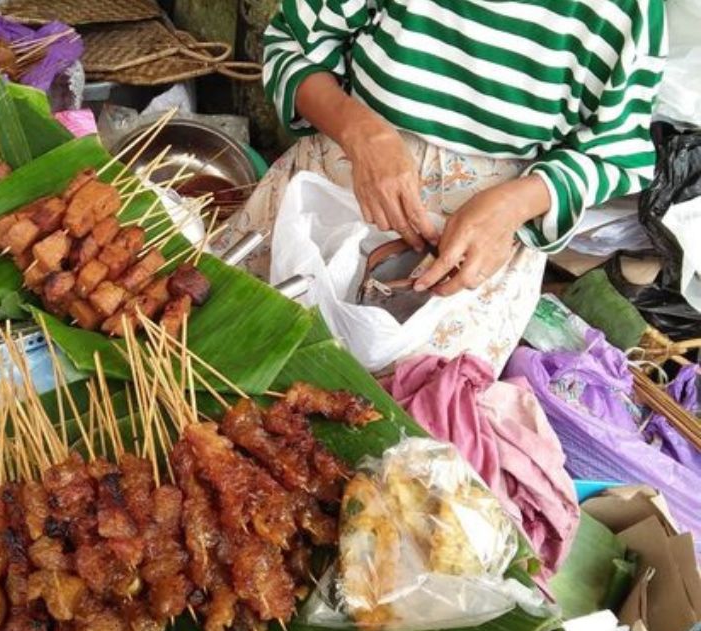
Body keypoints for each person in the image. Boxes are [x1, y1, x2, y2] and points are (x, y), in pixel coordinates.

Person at [222, 0, 666, 372]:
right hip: (329, 194)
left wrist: (513, 205)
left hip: (477, 253)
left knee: (387, 445)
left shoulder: (625, 10)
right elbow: (290, 49)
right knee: (225, 349)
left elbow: (615, 153)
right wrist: (360, 132)